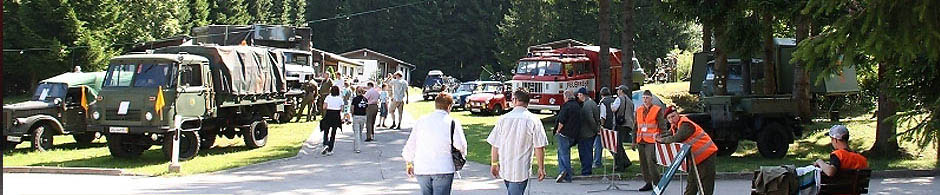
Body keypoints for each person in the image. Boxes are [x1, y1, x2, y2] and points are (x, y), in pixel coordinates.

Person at [402, 93, 467, 195]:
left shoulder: (421, 121)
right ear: (449, 106)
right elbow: (460, 145)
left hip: (422, 168)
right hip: (443, 167)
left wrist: (409, 162)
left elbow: (411, 144)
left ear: (435, 105)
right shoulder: (452, 122)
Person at [487, 89, 548, 195]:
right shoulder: (533, 120)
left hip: (506, 167)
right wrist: (541, 168)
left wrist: (494, 163)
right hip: (521, 169)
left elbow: (495, 144)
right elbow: (539, 147)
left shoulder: (503, 119)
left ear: (514, 100)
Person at [656, 105, 717, 195]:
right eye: (669, 118)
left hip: (706, 155)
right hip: (695, 158)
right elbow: (668, 135)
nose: (672, 119)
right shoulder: (675, 126)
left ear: (678, 114)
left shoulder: (686, 124)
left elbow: (676, 138)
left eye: (673, 116)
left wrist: (661, 140)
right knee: (691, 184)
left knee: (705, 185)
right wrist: (659, 137)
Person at [635, 90, 666, 191]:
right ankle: (648, 182)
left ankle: (657, 184)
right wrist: (633, 140)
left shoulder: (657, 110)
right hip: (641, 139)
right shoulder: (639, 110)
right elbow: (635, 126)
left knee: (651, 162)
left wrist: (662, 137)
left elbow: (662, 125)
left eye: (647, 98)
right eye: (643, 98)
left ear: (651, 99)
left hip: (652, 140)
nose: (645, 100)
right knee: (643, 163)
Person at [554, 89, 582, 183]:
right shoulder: (577, 106)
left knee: (563, 153)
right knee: (564, 152)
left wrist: (558, 130)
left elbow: (562, 121)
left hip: (564, 133)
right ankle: (564, 172)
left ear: (566, 97)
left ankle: (565, 173)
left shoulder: (566, 106)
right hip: (573, 134)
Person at [608, 85, 635, 172]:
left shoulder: (619, 99)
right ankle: (626, 161)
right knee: (619, 145)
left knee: (617, 145)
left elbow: (614, 109)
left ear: (621, 91)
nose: (617, 91)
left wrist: (611, 105)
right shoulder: (630, 101)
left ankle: (620, 164)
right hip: (628, 124)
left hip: (620, 124)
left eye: (618, 90)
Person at [576, 87, 599, 175]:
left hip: (586, 133)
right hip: (589, 133)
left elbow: (590, 119)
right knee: (588, 151)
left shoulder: (587, 105)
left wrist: (595, 130)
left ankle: (586, 171)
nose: (578, 97)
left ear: (581, 95)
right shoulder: (592, 102)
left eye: (578, 95)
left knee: (585, 152)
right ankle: (586, 169)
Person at [320, 86, 345, 156]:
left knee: (326, 130)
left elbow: (324, 107)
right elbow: (342, 109)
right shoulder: (340, 99)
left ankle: (325, 143)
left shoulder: (328, 97)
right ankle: (330, 148)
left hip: (329, 114)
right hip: (336, 115)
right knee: (333, 132)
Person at [350, 87, 368, 153]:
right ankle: (358, 144)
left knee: (356, 132)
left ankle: (357, 148)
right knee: (360, 131)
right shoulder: (365, 99)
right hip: (363, 116)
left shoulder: (355, 99)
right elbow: (366, 108)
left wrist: (352, 114)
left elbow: (352, 107)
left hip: (356, 116)